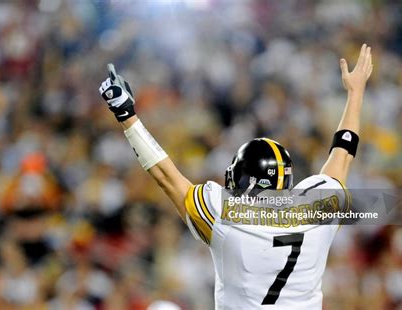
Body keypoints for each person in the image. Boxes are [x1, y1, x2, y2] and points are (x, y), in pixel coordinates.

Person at [99, 45, 373, 309]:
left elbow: (165, 176)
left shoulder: (223, 212)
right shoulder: (321, 206)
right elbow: (343, 154)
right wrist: (356, 92)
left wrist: (127, 115)